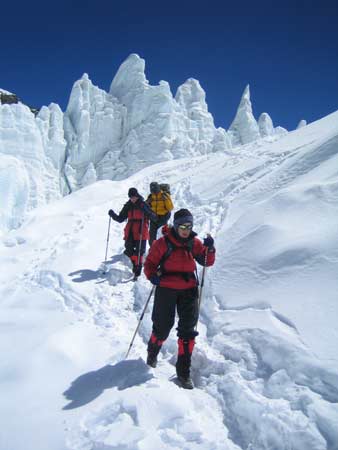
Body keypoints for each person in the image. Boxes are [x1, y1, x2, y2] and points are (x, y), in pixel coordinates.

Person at [144, 208, 215, 389]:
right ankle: (152, 352)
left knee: (187, 331)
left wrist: (210, 249)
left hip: (189, 290)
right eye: (182, 226)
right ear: (175, 226)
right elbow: (150, 264)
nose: (186, 229)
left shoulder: (194, 243)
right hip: (166, 288)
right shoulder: (162, 243)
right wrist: (152, 276)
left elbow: (206, 261)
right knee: (162, 326)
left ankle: (183, 372)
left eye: (189, 226)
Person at [108, 188, 156, 278]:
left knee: (140, 251)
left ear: (137, 195)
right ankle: (135, 263)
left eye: (134, 197)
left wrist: (147, 212)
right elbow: (120, 219)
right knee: (129, 249)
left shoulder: (143, 204)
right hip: (130, 231)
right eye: (131, 197)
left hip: (141, 230)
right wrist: (112, 214)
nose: (133, 199)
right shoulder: (128, 205)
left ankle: (138, 268)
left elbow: (154, 217)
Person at [146, 182, 174, 246]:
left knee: (162, 234)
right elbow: (147, 207)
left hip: (163, 217)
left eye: (155, 189)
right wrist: (147, 202)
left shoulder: (164, 195)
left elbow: (170, 208)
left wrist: (166, 200)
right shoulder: (150, 196)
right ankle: (153, 249)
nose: (154, 192)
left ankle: (165, 249)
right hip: (153, 217)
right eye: (152, 190)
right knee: (151, 235)